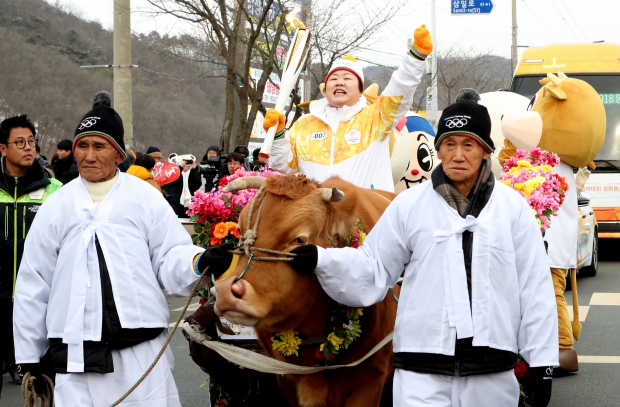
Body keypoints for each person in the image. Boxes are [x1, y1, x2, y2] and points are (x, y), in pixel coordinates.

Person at [286, 102, 559, 407]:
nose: (458, 155)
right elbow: (373, 266)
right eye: (449, 144)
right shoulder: (409, 205)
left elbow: (534, 286)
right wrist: (322, 260)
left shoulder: (512, 208)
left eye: (469, 144)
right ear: (438, 151)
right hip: (421, 370)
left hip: (491, 369)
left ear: (486, 151)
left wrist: (542, 361)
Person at [12, 91, 234, 406]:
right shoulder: (56, 204)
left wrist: (199, 262)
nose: (89, 155)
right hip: (74, 358)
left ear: (118, 154)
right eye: (82, 146)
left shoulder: (144, 198)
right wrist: (31, 354)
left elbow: (170, 254)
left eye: (99, 146)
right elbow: (34, 281)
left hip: (139, 352)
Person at [263, 25, 432, 192]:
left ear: (360, 90)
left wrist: (414, 60)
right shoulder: (304, 124)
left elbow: (399, 91)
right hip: (319, 215)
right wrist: (277, 136)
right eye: (334, 78)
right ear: (326, 87)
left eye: (347, 78)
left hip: (366, 215)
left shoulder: (376, 118)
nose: (339, 82)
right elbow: (286, 165)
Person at [0, 115, 61, 396]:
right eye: (20, 142)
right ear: (2, 148)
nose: (28, 148)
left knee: (43, 387)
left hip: (39, 307)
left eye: (31, 142)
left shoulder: (54, 190)